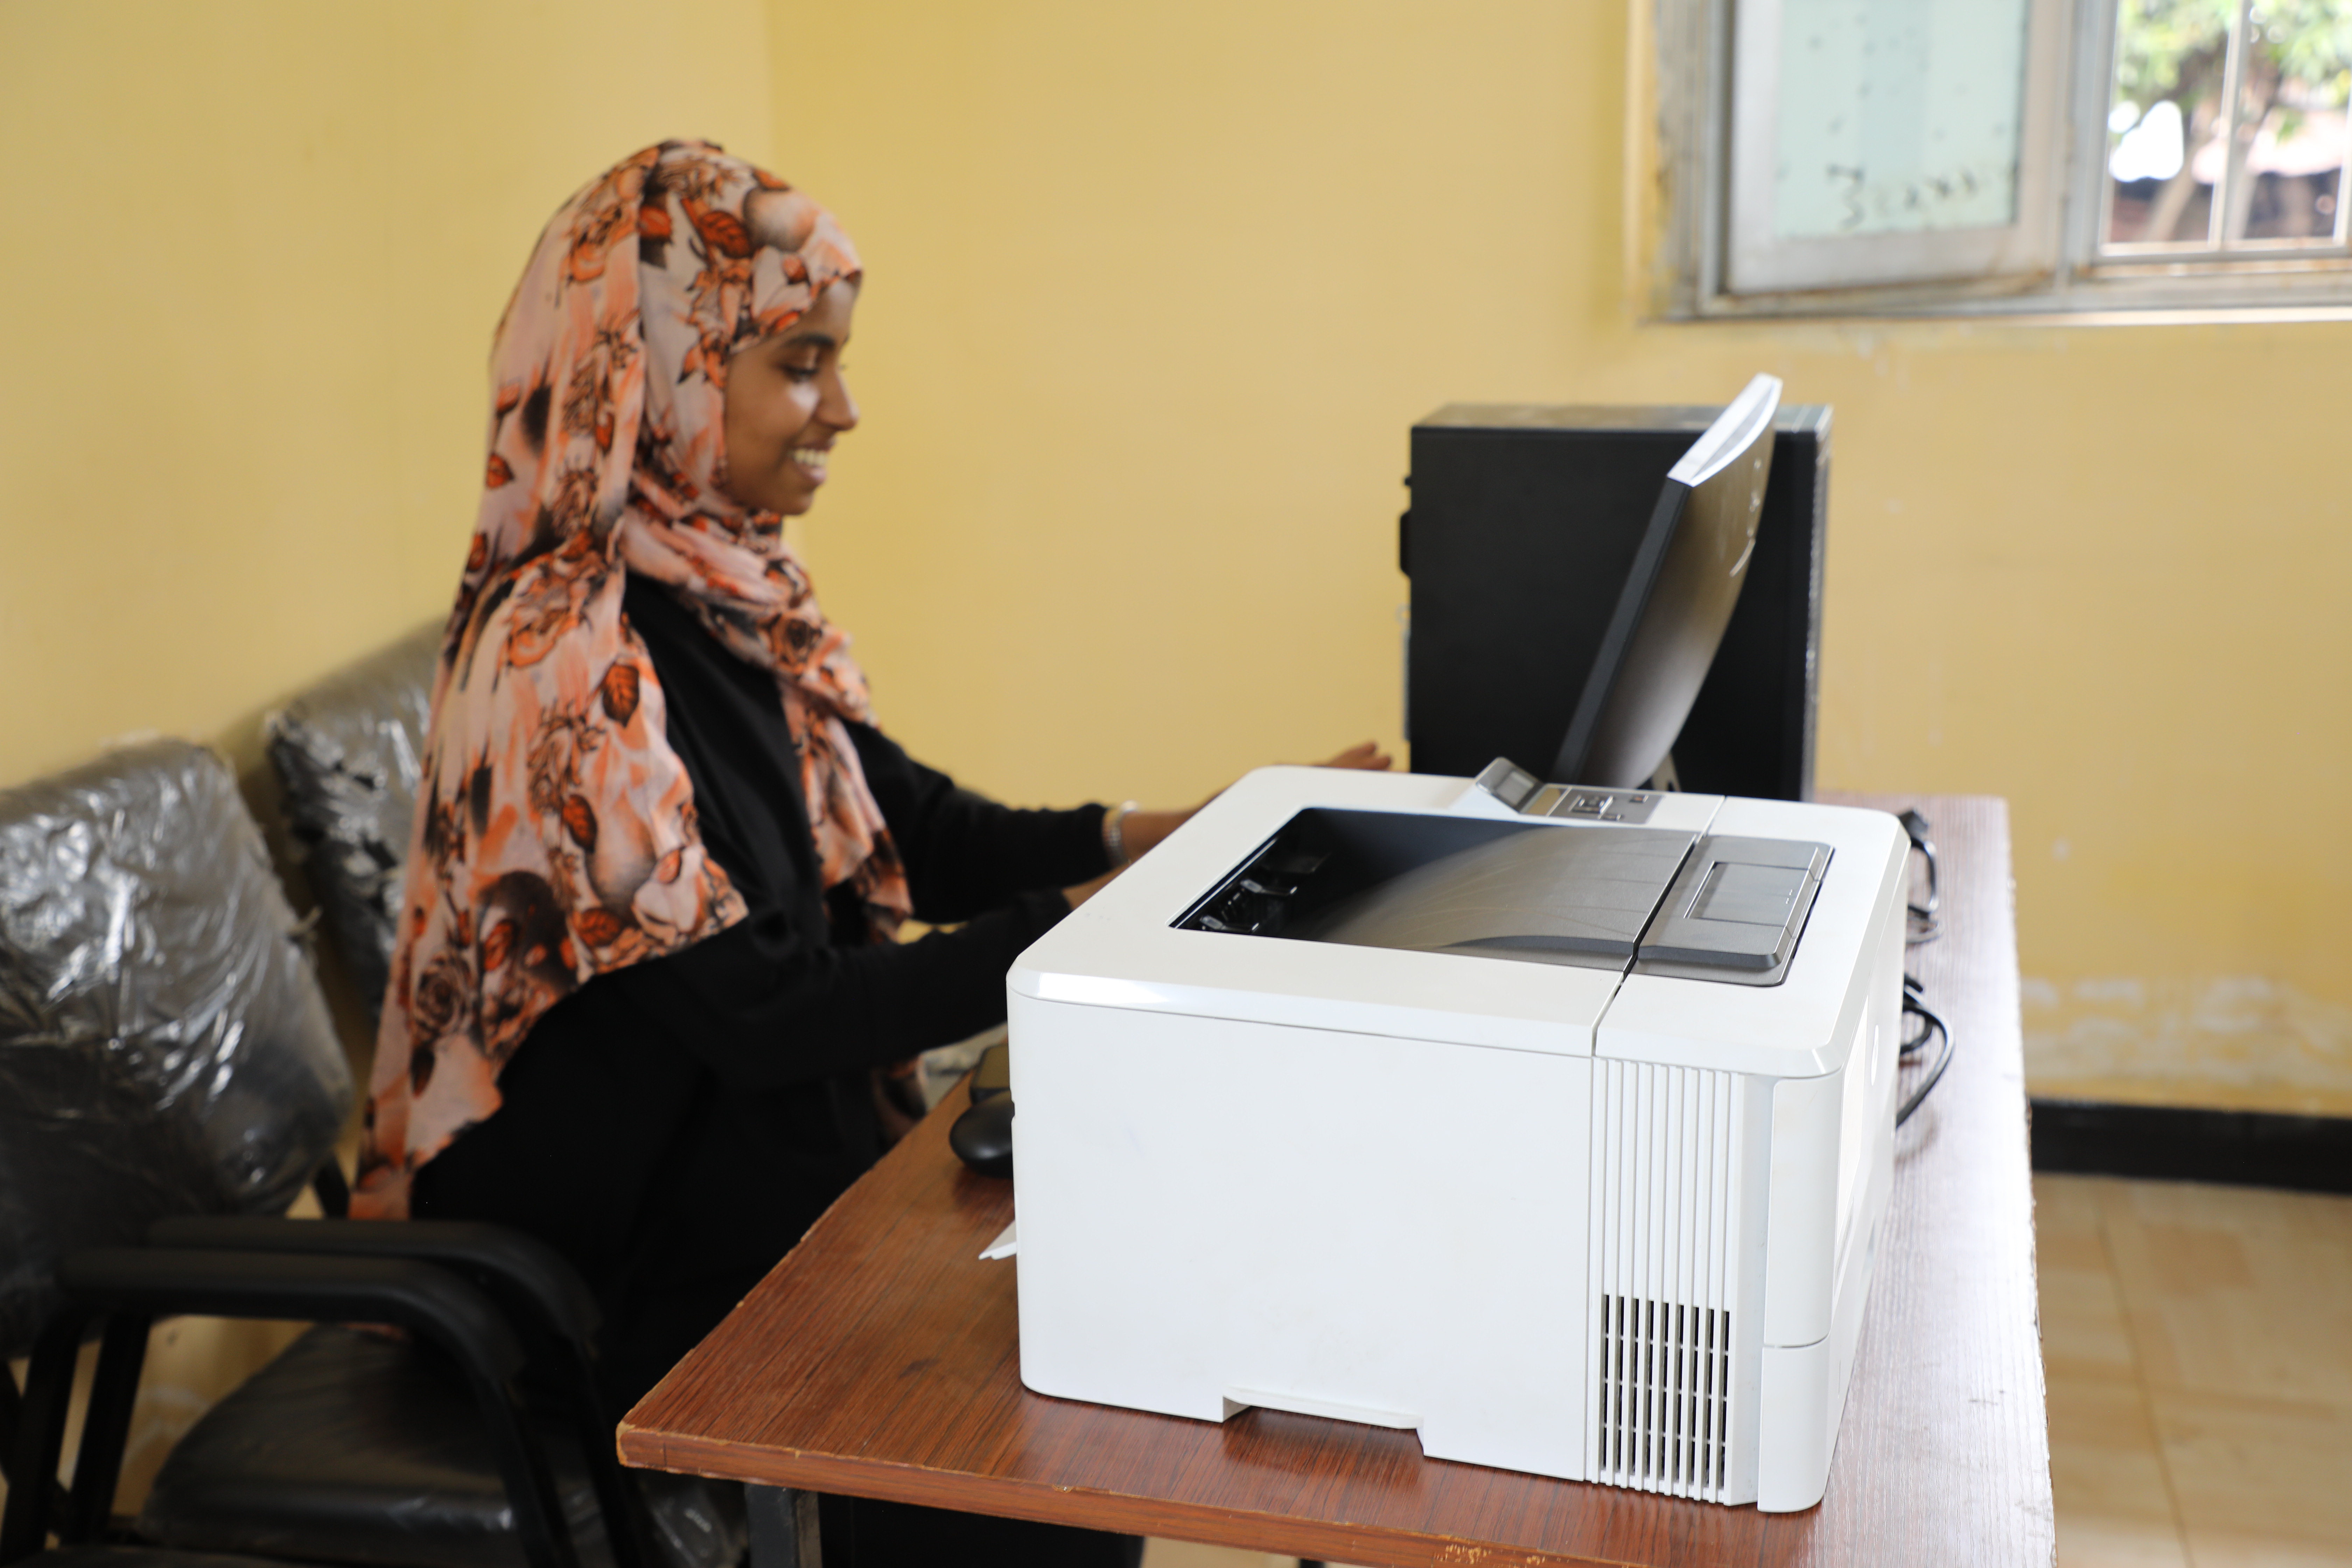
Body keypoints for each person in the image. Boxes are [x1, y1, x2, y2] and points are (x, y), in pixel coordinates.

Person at [349, 140, 1387, 1566]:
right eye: (799, 361)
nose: (844, 407)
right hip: (615, 1262)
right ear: (662, 372)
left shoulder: (722, 585)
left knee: (1102, 1365)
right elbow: (771, 1018)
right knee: (1045, 1440)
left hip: (756, 1159)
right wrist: (1098, 918)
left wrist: (1169, 832)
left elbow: (916, 827)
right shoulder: (561, 658)